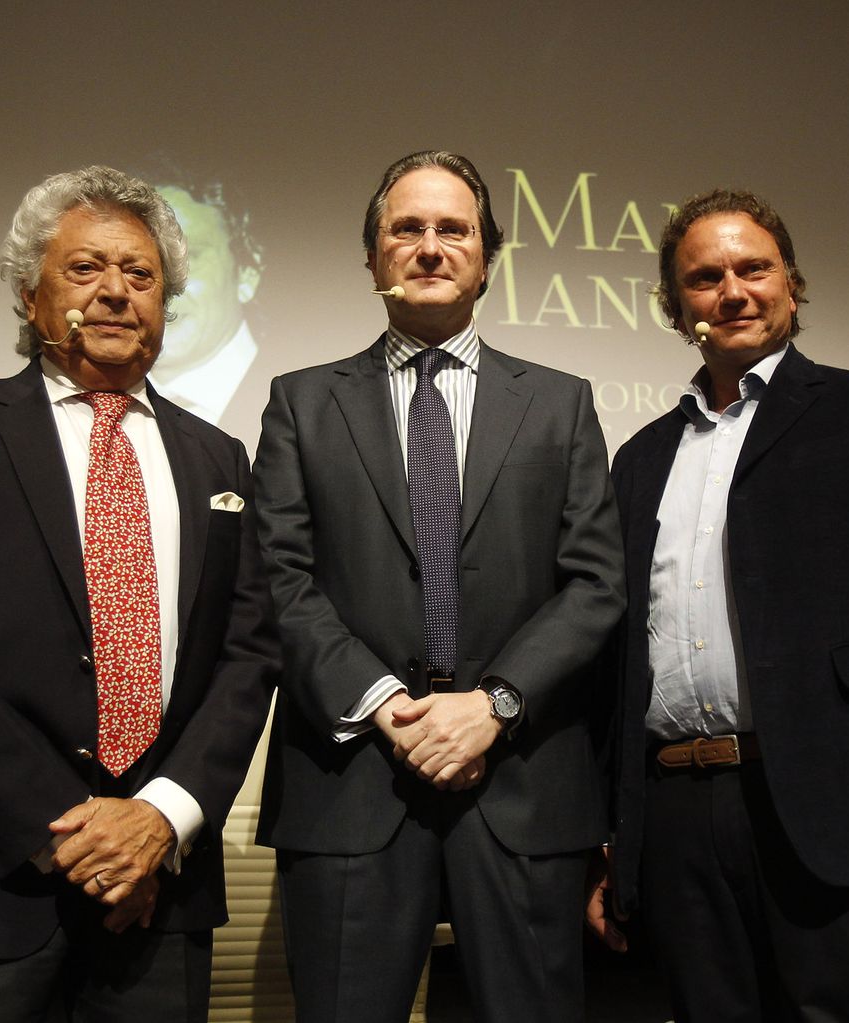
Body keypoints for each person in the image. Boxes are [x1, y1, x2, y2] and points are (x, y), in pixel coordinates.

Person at [0, 165, 280, 1022]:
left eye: (140, 274)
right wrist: (75, 830)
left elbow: (246, 655)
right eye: (85, 268)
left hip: (157, 894)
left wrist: (159, 819)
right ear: (29, 295)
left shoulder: (218, 459)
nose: (116, 291)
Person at [586, 188, 849, 1021]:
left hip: (835, 811)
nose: (733, 291)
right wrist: (613, 833)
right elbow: (616, 659)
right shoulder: (639, 458)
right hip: (678, 820)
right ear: (676, 308)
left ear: (792, 285)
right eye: (705, 278)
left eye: (754, 268)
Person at [253, 150, 624, 1022]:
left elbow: (595, 582)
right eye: (406, 228)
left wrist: (493, 703)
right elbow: (278, 578)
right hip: (352, 782)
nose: (429, 246)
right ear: (372, 256)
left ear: (486, 258)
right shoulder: (300, 403)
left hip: (524, 784)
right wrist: (386, 703)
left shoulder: (561, 403)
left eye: (453, 229)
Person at [147, 180, 264, 428]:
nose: (162, 284)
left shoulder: (306, 406)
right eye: (141, 263)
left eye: (189, 258)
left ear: (247, 273)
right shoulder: (95, 407)